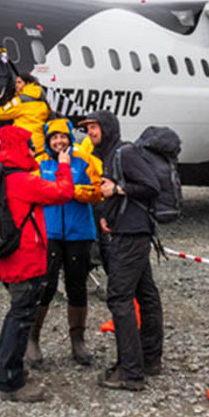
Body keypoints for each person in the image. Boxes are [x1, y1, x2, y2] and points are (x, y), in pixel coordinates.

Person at [79, 110, 163, 392]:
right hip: (128, 230)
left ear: (108, 128)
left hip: (132, 235)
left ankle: (130, 372)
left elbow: (152, 185)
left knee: (119, 298)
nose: (91, 132)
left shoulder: (124, 152)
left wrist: (117, 190)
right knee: (146, 294)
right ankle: (150, 360)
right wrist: (107, 213)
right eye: (88, 128)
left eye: (94, 127)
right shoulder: (108, 154)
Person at [0, 125, 74, 402]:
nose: (32, 151)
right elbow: (63, 192)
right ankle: (11, 383)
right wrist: (64, 165)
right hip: (25, 260)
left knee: (15, 314)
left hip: (7, 258)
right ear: (18, 148)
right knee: (21, 318)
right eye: (28, 146)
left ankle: (0, 369)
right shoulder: (22, 181)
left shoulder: (0, 178)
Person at [27, 117, 103, 367]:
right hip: (48, 234)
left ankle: (77, 341)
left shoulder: (84, 161)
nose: (59, 141)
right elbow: (35, 192)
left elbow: (96, 192)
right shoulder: (40, 162)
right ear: (48, 140)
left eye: (63, 137)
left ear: (70, 138)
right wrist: (62, 187)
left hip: (79, 233)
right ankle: (32, 338)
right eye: (54, 137)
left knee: (77, 286)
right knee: (45, 286)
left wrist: (70, 190)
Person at [0, 73, 50, 155]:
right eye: (16, 82)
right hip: (40, 143)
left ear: (27, 83)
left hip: (25, 143)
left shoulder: (20, 101)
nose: (16, 85)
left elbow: (1, 113)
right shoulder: (42, 99)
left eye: (19, 82)